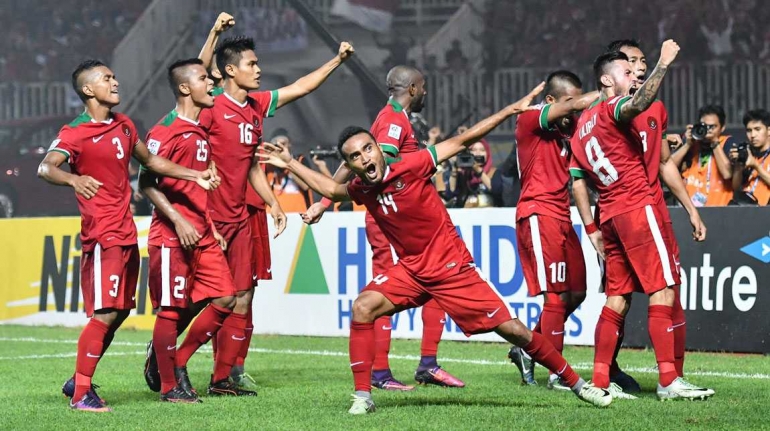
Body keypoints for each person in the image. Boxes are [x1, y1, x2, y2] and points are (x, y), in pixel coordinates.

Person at [259, 83, 614, 414]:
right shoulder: (362, 189)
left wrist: (509, 111)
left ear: (378, 149)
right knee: (363, 307)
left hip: (451, 268)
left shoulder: (412, 165)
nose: (365, 158)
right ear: (350, 165)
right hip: (412, 270)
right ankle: (364, 396)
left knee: (517, 332)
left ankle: (579, 385)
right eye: (355, 156)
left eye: (368, 149)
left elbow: (463, 140)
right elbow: (333, 191)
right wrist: (290, 163)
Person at [38, 59, 218, 412]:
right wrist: (74, 179)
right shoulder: (75, 131)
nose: (115, 82)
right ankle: (81, 394)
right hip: (102, 235)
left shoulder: (124, 125)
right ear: (89, 90)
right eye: (107, 79)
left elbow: (151, 162)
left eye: (114, 76)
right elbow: (46, 167)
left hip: (125, 232)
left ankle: (79, 379)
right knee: (105, 313)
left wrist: (193, 175)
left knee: (118, 313)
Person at [200, 35, 355, 390]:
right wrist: (213, 33)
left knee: (244, 294)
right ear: (229, 70)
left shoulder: (256, 104)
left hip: (243, 214)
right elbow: (193, 74)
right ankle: (167, 356)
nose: (259, 69)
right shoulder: (208, 105)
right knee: (209, 299)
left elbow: (300, 87)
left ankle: (227, 372)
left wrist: (337, 60)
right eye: (252, 64)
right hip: (208, 215)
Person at [304, 66, 465, 390]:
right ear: (414, 88)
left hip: (406, 219)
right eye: (424, 87)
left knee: (437, 283)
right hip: (391, 220)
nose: (426, 94)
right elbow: (366, 168)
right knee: (385, 294)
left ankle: (427, 364)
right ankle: (380, 372)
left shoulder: (396, 118)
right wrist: (325, 202)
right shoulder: (392, 120)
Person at [569, 42, 713, 400]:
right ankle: (668, 380)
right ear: (606, 78)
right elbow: (635, 103)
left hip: (612, 216)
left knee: (616, 298)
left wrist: (592, 229)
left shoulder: (582, 126)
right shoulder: (612, 107)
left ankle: (600, 382)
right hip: (638, 207)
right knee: (663, 289)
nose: (634, 74)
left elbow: (579, 180)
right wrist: (663, 64)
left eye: (639, 67)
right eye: (626, 68)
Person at [140, 58, 253, 402]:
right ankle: (169, 387)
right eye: (205, 78)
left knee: (226, 298)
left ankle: (175, 362)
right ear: (186, 87)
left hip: (203, 232)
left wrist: (210, 225)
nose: (213, 84)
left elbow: (195, 188)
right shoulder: (164, 131)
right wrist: (177, 219)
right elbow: (145, 183)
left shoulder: (200, 128)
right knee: (172, 310)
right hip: (172, 235)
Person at [507, 70, 599, 390]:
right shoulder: (531, 119)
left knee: (577, 292)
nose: (575, 108)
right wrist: (609, 90)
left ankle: (527, 348)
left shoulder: (568, 131)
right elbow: (585, 105)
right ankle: (559, 375)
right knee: (555, 298)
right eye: (569, 101)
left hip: (563, 217)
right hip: (538, 213)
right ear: (551, 101)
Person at [671, 105, 736, 206]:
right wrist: (687, 144)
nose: (708, 130)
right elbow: (668, 168)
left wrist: (714, 142)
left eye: (712, 127)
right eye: (704, 126)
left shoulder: (727, 143)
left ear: (722, 128)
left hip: (719, 210)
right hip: (690, 210)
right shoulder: (692, 143)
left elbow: (727, 174)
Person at [729, 109, 770, 205]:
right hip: (745, 207)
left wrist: (756, 165)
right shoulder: (747, 152)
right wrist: (738, 165)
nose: (753, 135)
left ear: (768, 131)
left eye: (757, 129)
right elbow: (736, 186)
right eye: (749, 130)